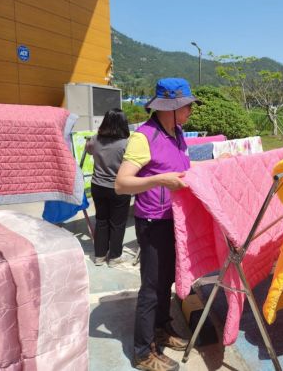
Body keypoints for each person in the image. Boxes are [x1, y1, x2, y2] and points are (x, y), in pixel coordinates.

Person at [115, 78, 201, 371]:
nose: (191, 109)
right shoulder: (144, 137)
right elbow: (121, 184)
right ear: (170, 108)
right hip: (153, 220)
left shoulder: (177, 132)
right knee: (152, 288)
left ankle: (162, 330)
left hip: (174, 219)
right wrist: (158, 180)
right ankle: (142, 352)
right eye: (186, 105)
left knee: (168, 281)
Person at [86, 108, 132, 267]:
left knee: (101, 220)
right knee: (117, 223)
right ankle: (114, 257)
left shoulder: (94, 139)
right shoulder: (126, 143)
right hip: (119, 187)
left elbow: (89, 151)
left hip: (97, 185)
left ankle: (99, 256)